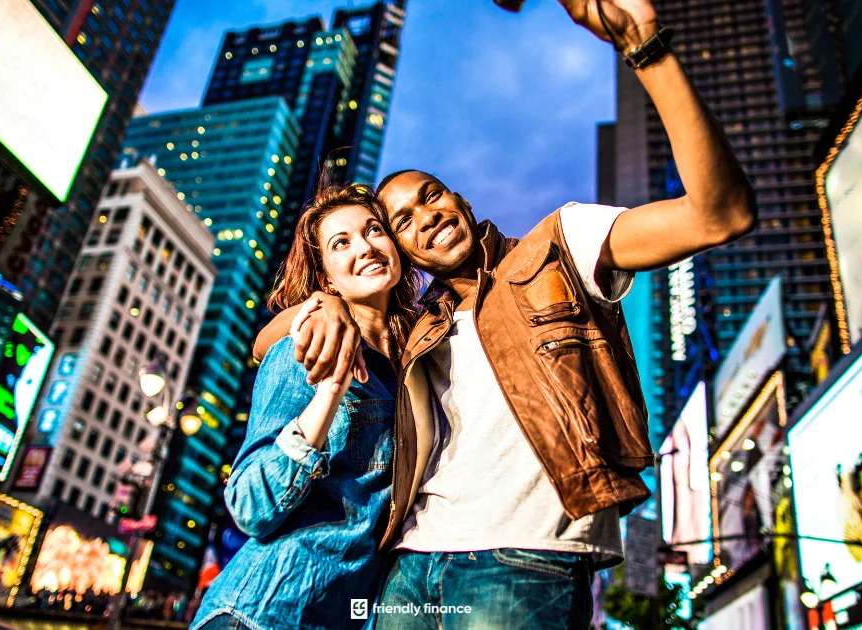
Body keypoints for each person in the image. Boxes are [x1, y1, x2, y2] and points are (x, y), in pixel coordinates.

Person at [255, 0, 758, 626]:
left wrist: (647, 48)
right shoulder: (420, 325)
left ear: (459, 200)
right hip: (411, 564)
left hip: (527, 557)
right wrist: (327, 304)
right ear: (403, 251)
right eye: (403, 221)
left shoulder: (560, 246)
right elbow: (265, 343)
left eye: (431, 196)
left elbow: (722, 214)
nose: (426, 217)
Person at [191, 181, 420, 630]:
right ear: (327, 277)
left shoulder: (415, 366)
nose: (366, 247)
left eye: (374, 230)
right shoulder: (299, 351)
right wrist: (329, 391)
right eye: (341, 242)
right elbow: (251, 503)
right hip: (264, 611)